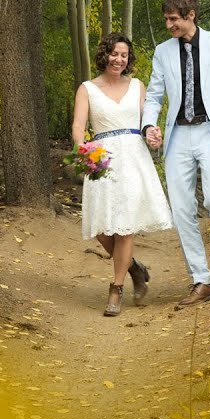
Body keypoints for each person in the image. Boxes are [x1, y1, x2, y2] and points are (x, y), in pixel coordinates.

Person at [142, 0, 210, 308]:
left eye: (173, 19)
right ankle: (202, 280)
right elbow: (154, 95)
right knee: (182, 209)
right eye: (166, 19)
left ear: (191, 16)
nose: (169, 25)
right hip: (177, 135)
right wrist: (149, 126)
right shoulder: (162, 52)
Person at [71, 32, 172, 317]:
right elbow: (78, 127)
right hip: (101, 159)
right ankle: (134, 268)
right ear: (104, 54)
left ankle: (116, 290)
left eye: (124, 55)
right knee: (101, 229)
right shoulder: (87, 89)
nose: (119, 59)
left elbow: (147, 121)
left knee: (125, 226)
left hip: (133, 158)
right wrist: (83, 149)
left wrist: (153, 134)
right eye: (114, 54)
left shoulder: (137, 86)